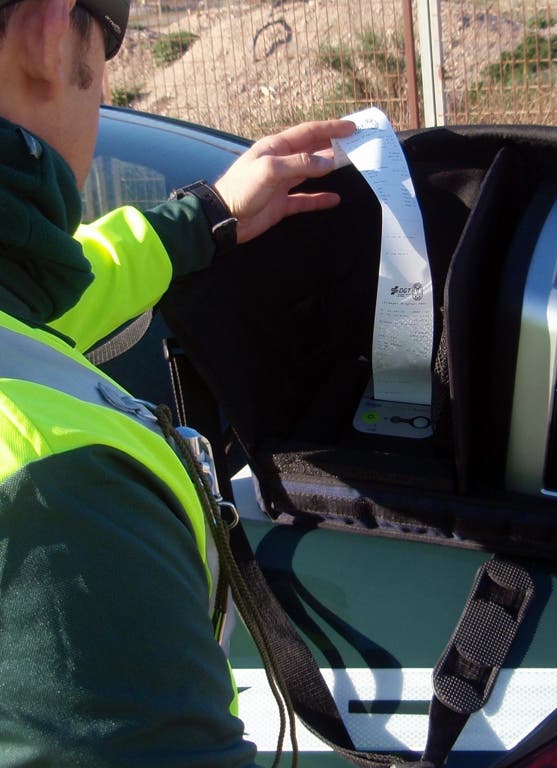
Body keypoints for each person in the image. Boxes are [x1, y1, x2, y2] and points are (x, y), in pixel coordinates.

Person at [0, 0, 355, 763]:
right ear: (52, 31)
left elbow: (48, 299)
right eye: (109, 56)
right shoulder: (59, 502)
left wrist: (210, 214)